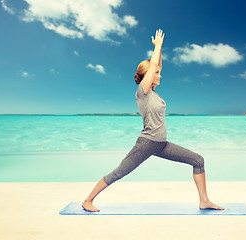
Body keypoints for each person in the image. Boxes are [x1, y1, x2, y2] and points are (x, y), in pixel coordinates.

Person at [82, 29, 224, 212]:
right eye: (156, 73)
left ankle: (204, 201)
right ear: (148, 75)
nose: (160, 75)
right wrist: (156, 47)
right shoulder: (143, 92)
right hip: (147, 143)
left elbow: (158, 66)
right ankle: (88, 200)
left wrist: (160, 48)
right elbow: (154, 65)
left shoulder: (154, 94)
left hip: (161, 144)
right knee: (119, 172)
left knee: (198, 160)